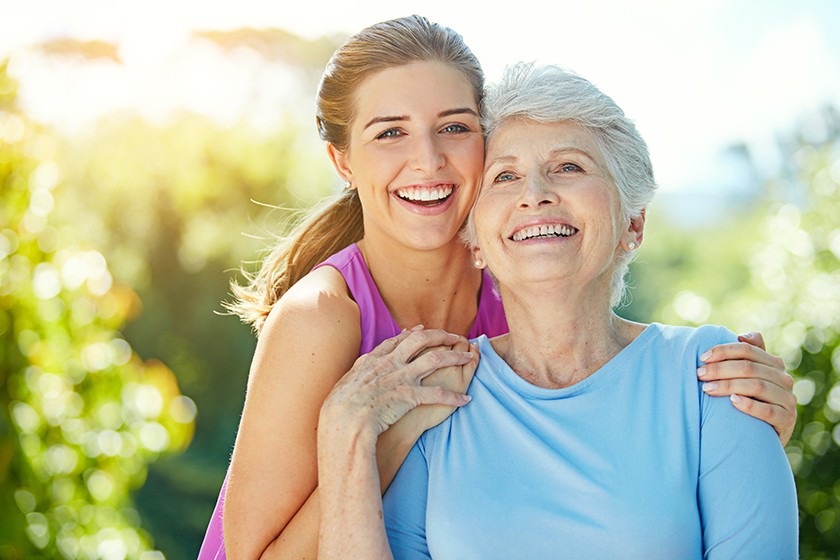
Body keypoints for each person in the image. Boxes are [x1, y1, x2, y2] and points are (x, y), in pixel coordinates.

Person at [199, 16, 797, 560]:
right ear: (343, 162)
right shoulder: (320, 317)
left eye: (453, 128)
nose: (428, 159)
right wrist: (387, 431)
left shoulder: (520, 279)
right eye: (389, 134)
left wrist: (743, 433)